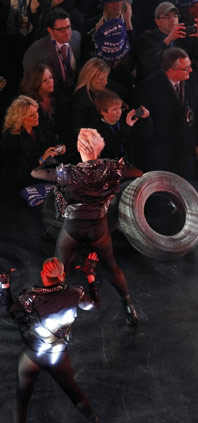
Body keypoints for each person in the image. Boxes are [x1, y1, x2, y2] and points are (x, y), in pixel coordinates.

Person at [30, 128, 142, 325]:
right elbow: (137, 172)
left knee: (59, 267)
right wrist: (112, 165)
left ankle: (53, 313)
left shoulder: (68, 172)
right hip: (98, 225)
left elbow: (36, 173)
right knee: (111, 266)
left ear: (79, 147)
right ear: (98, 147)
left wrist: (50, 158)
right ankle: (129, 307)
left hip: (73, 226)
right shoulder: (110, 168)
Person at [0, 254, 101, 423]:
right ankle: (94, 421)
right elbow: (95, 305)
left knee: (22, 401)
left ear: (42, 275)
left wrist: (4, 286)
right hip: (57, 357)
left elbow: (11, 309)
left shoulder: (30, 297)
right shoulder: (75, 293)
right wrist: (91, 275)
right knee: (74, 393)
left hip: (32, 357)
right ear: (62, 275)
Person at [134, 47, 198, 180]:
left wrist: (196, 142)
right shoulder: (148, 89)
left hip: (186, 154)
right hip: (162, 156)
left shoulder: (192, 80)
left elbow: (196, 113)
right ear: (171, 70)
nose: (190, 70)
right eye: (186, 68)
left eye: (190, 66)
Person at [1, 95, 64, 199]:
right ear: (20, 119)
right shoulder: (10, 137)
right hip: (21, 184)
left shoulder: (39, 126)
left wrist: (57, 148)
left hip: (44, 174)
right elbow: (13, 169)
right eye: (32, 115)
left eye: (36, 112)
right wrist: (40, 160)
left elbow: (49, 144)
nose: (37, 116)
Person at [23, 8, 82, 99]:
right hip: (54, 97)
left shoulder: (77, 37)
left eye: (68, 27)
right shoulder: (35, 53)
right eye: (61, 29)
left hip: (77, 92)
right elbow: (31, 84)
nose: (67, 33)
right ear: (50, 31)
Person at [20, 63, 72, 149]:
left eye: (50, 78)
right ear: (35, 83)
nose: (50, 82)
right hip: (38, 151)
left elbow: (66, 129)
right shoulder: (28, 105)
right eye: (44, 81)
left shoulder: (60, 100)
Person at [91, 89, 152, 161]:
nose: (119, 112)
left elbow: (143, 135)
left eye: (120, 108)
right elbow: (112, 146)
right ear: (103, 112)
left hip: (129, 162)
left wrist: (146, 119)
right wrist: (127, 126)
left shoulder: (124, 118)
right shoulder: (96, 130)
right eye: (114, 109)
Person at [71, 58, 110, 136]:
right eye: (101, 79)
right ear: (89, 78)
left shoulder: (100, 90)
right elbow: (79, 129)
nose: (106, 82)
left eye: (106, 77)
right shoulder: (81, 98)